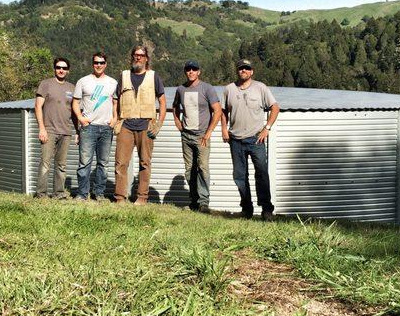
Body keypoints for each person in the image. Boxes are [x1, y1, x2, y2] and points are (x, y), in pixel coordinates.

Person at [221, 59, 280, 221]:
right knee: (240, 176)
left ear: (252, 71)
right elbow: (223, 111)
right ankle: (246, 209)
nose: (243, 71)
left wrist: (266, 128)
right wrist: (224, 129)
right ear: (237, 70)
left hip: (256, 140)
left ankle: (266, 210)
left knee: (261, 174)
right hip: (236, 140)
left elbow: (275, 108)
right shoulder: (229, 89)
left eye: (247, 68)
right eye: (241, 68)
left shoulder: (260, 88)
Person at [114, 45, 166, 205]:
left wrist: (159, 123)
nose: (138, 58)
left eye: (141, 55)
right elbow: (116, 99)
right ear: (132, 57)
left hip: (146, 125)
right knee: (121, 163)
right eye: (135, 55)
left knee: (145, 162)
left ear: (146, 59)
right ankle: (120, 198)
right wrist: (116, 119)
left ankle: (142, 197)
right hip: (126, 125)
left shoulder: (154, 76)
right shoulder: (124, 76)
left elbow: (162, 101)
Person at [173, 61, 222, 213]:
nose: (191, 72)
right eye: (188, 69)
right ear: (185, 72)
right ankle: (194, 201)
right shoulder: (181, 89)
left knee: (202, 168)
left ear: (199, 72)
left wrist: (208, 133)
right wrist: (178, 123)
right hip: (186, 136)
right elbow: (175, 107)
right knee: (189, 170)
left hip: (202, 136)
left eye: (194, 69)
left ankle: (204, 203)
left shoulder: (207, 88)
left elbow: (218, 111)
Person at [72, 52, 118, 201]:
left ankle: (99, 193)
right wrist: (80, 118)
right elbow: (75, 103)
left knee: (103, 164)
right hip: (88, 127)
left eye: (102, 62)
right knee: (84, 163)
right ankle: (82, 194)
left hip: (106, 128)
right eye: (96, 63)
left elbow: (116, 103)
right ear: (92, 64)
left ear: (106, 64)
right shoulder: (83, 81)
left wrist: (115, 119)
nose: (99, 65)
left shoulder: (113, 82)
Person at [34, 57, 77, 199]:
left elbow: (75, 111)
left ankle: (59, 193)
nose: (61, 70)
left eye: (64, 68)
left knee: (61, 165)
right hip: (49, 130)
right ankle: (41, 193)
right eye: (59, 67)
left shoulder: (72, 88)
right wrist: (41, 128)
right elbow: (38, 106)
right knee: (45, 163)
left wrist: (78, 131)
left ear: (68, 71)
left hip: (65, 132)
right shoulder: (46, 84)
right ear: (54, 68)